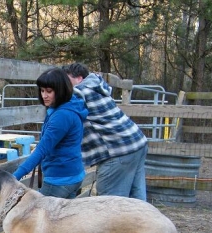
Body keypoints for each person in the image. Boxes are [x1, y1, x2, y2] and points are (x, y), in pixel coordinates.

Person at [12, 67, 88, 233]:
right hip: (71, 174)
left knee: (39, 229)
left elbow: (41, 151)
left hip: (60, 179)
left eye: (49, 91)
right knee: (61, 227)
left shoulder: (61, 116)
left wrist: (14, 177)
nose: (45, 95)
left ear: (60, 90)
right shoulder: (64, 108)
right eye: (42, 90)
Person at [62, 63, 148, 200]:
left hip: (118, 151)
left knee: (109, 206)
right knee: (136, 201)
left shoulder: (80, 91)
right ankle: (144, 221)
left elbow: (62, 101)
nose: (63, 85)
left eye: (66, 80)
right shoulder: (97, 87)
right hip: (136, 142)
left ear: (79, 78)